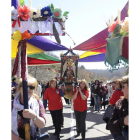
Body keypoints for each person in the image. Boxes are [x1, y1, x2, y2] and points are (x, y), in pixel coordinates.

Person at [11, 75, 46, 140]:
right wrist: (15, 138)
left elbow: (42, 125)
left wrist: (33, 116)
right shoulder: (11, 104)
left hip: (33, 137)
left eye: (31, 87)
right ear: (19, 88)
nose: (28, 89)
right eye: (25, 86)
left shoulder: (38, 103)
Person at [108, 75, 129, 140]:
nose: (122, 90)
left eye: (123, 86)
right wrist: (123, 121)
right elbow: (111, 125)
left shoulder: (116, 92)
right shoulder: (120, 103)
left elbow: (111, 102)